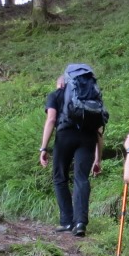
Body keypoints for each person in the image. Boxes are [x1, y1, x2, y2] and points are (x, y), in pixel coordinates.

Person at [39, 73, 103, 237]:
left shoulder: (56, 95)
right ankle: (80, 222)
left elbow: (51, 119)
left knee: (60, 177)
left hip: (65, 136)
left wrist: (43, 148)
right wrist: (98, 158)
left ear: (61, 83)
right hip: (88, 138)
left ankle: (67, 221)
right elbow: (99, 131)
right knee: (81, 178)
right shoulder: (91, 99)